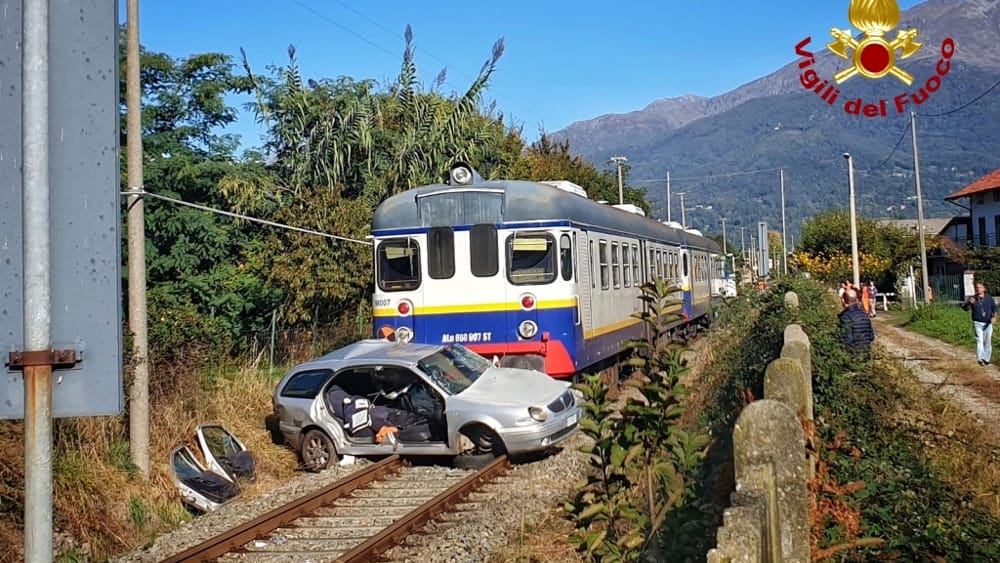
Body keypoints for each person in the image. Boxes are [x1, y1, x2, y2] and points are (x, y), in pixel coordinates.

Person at [961, 282, 998, 366]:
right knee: (979, 340)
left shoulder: (989, 298)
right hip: (977, 323)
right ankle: (980, 358)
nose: (978, 289)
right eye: (977, 287)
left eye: (980, 287)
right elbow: (965, 308)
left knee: (987, 341)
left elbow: (995, 309)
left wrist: (994, 317)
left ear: (984, 289)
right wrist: (969, 303)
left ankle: (986, 358)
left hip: (988, 323)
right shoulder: (973, 298)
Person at [839, 290, 874, 358]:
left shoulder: (846, 317)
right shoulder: (865, 315)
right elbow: (871, 336)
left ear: (843, 300)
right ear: (856, 300)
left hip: (853, 356)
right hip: (866, 354)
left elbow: (847, 340)